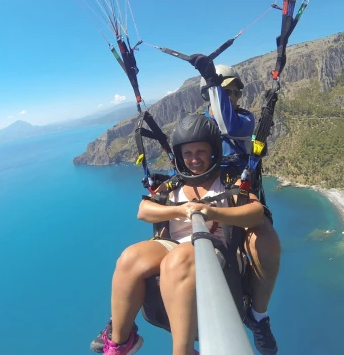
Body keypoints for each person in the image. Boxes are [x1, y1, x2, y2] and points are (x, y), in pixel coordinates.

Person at [96, 114, 264, 355]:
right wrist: (181, 210)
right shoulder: (173, 184)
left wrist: (212, 212)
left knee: (180, 258)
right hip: (174, 244)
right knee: (128, 258)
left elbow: (255, 213)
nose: (194, 159)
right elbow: (143, 210)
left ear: (213, 151)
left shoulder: (227, 183)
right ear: (179, 155)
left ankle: (183, 352)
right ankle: (120, 342)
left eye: (201, 152)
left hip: (217, 249)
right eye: (188, 153)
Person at [192, 55, 281, 355]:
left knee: (263, 240)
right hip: (208, 191)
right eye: (230, 91)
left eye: (235, 92)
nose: (235, 97)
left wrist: (211, 80)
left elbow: (225, 121)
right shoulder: (199, 128)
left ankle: (258, 315)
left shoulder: (244, 120)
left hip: (238, 189)